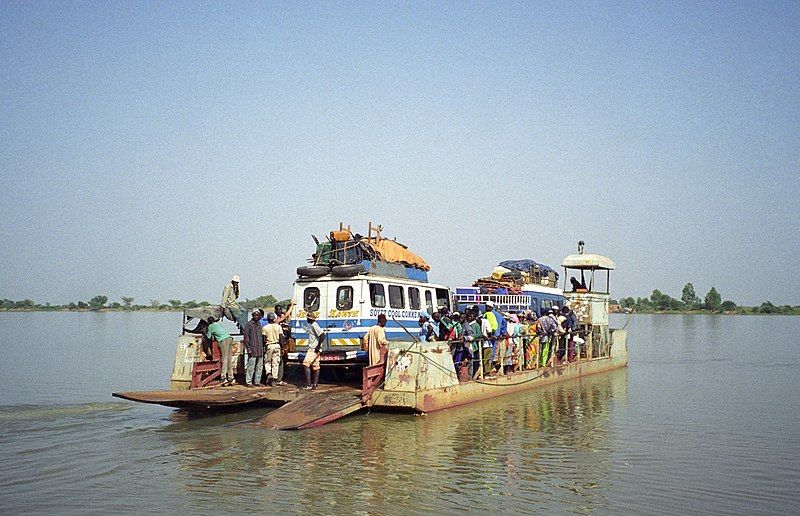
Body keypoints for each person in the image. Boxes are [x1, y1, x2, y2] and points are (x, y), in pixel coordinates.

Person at [206, 316, 236, 386]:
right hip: (229, 338)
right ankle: (231, 377)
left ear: (208, 322)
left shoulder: (210, 326)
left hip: (223, 340)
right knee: (229, 359)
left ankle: (223, 377)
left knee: (224, 359)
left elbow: (208, 337)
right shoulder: (217, 324)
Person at [242, 309, 264, 387]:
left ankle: (257, 382)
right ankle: (248, 382)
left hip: (260, 349)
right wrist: (248, 349)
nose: (256, 317)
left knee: (259, 367)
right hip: (253, 349)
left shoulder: (259, 324)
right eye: (255, 315)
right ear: (252, 315)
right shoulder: (249, 325)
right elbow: (246, 338)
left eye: (258, 315)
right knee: (251, 367)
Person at [302, 312, 325, 389]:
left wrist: (318, 346)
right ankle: (315, 385)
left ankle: (309, 384)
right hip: (315, 348)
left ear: (309, 318)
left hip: (313, 349)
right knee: (316, 366)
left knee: (306, 364)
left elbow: (322, 335)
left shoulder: (314, 325)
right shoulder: (313, 325)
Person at [262, 312, 283, 386]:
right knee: (275, 363)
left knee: (267, 361)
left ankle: (268, 373)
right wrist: (282, 348)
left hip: (269, 346)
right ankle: (274, 378)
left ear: (267, 319)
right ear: (274, 319)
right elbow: (281, 338)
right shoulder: (278, 327)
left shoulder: (265, 328)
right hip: (277, 345)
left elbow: (264, 340)